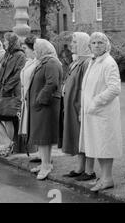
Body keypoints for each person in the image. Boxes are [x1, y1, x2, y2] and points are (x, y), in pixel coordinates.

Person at [79, 32, 122, 192]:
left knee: (104, 145)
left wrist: (96, 102)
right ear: (89, 45)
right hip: (93, 112)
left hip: (103, 112)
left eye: (100, 43)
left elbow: (114, 88)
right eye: (94, 42)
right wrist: (86, 107)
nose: (97, 45)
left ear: (107, 45)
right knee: (98, 145)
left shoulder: (109, 63)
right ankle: (104, 178)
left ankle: (107, 178)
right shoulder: (94, 61)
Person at [61, 32, 96, 181]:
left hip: (79, 106)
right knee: (77, 137)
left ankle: (89, 170)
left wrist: (82, 107)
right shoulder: (77, 62)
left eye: (75, 42)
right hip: (72, 105)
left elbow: (86, 88)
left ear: (82, 44)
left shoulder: (87, 63)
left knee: (85, 137)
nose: (71, 45)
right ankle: (80, 168)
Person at [28, 38, 63, 180]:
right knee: (41, 137)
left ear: (43, 50)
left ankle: (46, 166)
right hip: (41, 105)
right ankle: (44, 163)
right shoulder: (44, 61)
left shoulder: (51, 62)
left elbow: (52, 83)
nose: (35, 51)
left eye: (37, 49)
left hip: (46, 105)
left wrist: (39, 99)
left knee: (44, 137)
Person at [0, 33, 26, 156]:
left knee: (7, 119)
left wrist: (7, 87)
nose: (4, 42)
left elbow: (18, 73)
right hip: (3, 90)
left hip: (11, 92)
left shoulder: (20, 55)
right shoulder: (9, 54)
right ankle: (8, 143)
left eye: (6, 41)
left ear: (11, 42)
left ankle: (8, 145)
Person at [17, 36, 39, 156]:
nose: (24, 50)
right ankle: (37, 153)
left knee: (34, 127)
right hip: (25, 97)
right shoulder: (29, 61)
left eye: (25, 48)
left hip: (32, 98)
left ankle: (40, 154)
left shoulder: (37, 62)